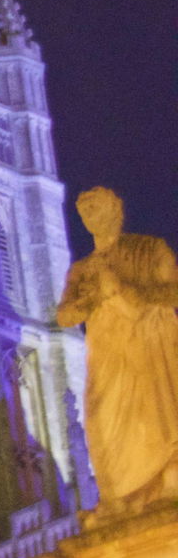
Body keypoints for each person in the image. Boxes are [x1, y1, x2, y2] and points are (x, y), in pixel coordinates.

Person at [56, 187, 178, 515]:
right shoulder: (82, 270)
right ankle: (118, 495)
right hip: (108, 355)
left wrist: (126, 291)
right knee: (99, 417)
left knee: (153, 412)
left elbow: (173, 291)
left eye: (96, 208)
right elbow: (65, 315)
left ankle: (162, 481)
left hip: (147, 347)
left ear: (116, 209)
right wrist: (94, 297)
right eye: (84, 212)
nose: (90, 216)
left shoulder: (149, 249)